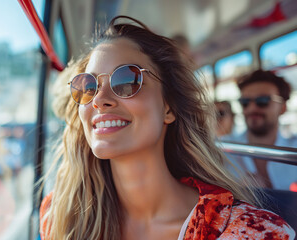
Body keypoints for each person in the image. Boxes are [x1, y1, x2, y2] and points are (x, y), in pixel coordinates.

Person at [39, 16, 295, 240]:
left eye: (127, 80)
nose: (99, 99)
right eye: (88, 86)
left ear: (168, 108)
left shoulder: (254, 232)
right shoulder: (59, 218)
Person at [221, 70, 297, 190]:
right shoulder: (222, 149)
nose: (252, 108)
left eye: (263, 101)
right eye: (245, 102)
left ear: (283, 108)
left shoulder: (294, 149)